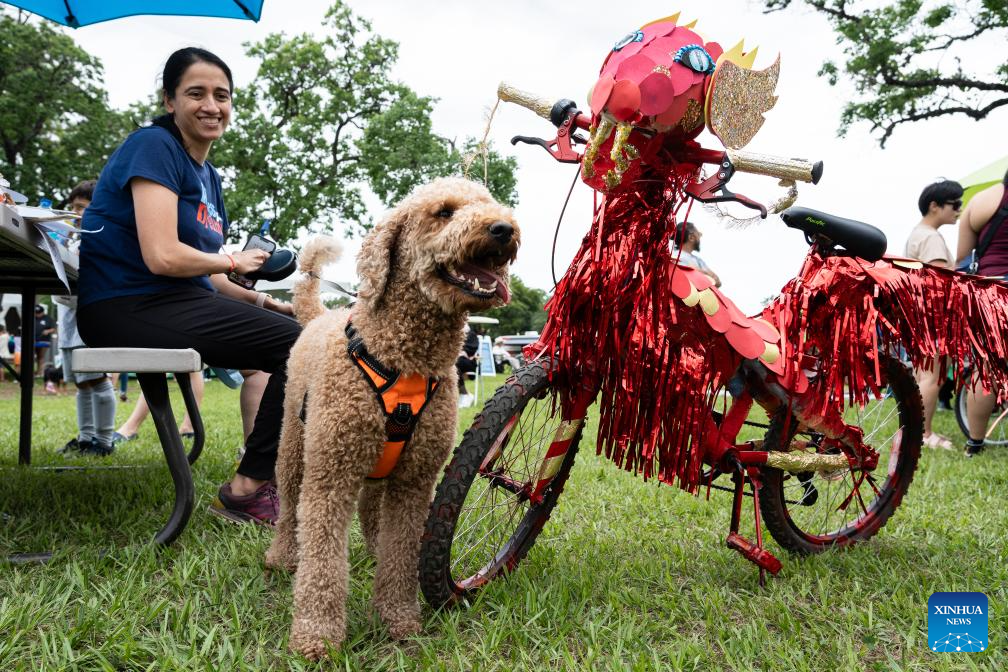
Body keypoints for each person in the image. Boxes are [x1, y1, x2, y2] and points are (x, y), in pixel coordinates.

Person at [76, 48, 301, 525]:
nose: (211, 105)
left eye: (222, 95)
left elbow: (213, 278)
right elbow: (163, 255)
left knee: (309, 336)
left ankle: (268, 475)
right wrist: (233, 258)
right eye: (195, 93)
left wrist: (262, 300)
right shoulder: (153, 146)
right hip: (126, 303)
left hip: (176, 300)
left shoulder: (209, 177)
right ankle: (248, 489)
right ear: (170, 100)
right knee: (303, 349)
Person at [53, 180, 119, 455]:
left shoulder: (103, 234)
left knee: (97, 379)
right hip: (69, 321)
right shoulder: (75, 234)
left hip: (89, 319)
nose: (76, 213)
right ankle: (86, 437)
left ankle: (104, 442)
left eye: (81, 207)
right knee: (82, 383)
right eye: (73, 208)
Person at [905, 178, 963, 451]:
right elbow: (941, 282)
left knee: (921, 376)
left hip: (919, 315)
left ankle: (915, 431)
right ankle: (924, 435)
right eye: (955, 204)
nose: (959, 210)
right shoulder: (931, 238)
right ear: (935, 206)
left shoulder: (918, 234)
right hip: (934, 316)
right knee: (931, 376)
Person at [956, 167, 1008, 457]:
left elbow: (963, 256)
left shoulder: (982, 201)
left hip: (991, 295)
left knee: (985, 369)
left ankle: (975, 443)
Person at [671, 221, 721, 287]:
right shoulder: (673, 257)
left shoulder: (699, 260)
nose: (701, 235)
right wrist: (706, 274)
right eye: (698, 234)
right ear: (691, 238)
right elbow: (686, 275)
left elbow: (717, 282)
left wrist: (701, 272)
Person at [33, 304, 56, 376]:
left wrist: (48, 331)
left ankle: (40, 372)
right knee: (33, 356)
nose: (37, 315)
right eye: (36, 313)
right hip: (34, 340)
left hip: (44, 341)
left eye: (39, 313)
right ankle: (34, 372)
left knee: (41, 356)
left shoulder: (48, 318)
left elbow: (54, 329)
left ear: (43, 312)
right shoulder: (33, 318)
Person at [456, 324, 479, 396]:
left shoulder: (471, 335)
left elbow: (472, 348)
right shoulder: (454, 334)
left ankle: (464, 393)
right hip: (456, 359)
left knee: (455, 365)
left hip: (468, 361)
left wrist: (463, 351)